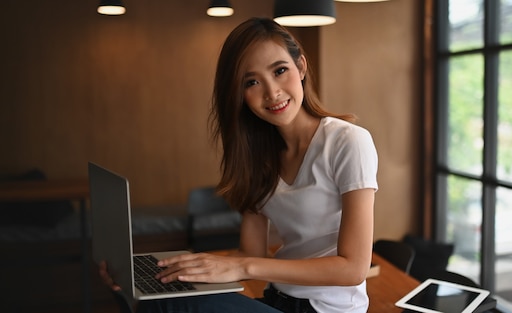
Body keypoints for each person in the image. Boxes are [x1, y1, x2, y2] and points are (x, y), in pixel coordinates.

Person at [100, 16, 378, 313]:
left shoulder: (348, 142)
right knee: (159, 295)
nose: (272, 92)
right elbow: (251, 252)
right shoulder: (258, 157)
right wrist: (164, 272)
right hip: (278, 300)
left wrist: (241, 265)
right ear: (239, 94)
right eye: (252, 82)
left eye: (280, 70)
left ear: (301, 67)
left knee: (172, 308)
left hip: (328, 309)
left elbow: (353, 269)